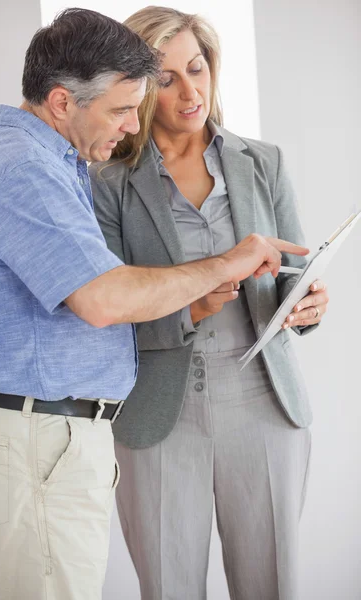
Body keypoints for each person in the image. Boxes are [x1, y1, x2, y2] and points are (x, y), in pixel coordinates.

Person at [0, 8, 309, 600]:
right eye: (124, 108)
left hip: (67, 434)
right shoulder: (32, 168)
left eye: (194, 70)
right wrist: (220, 270)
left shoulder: (58, 161)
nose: (131, 121)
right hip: (55, 434)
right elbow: (104, 298)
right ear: (63, 102)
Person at [89, 6, 329, 600]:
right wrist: (188, 308)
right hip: (160, 417)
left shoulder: (263, 162)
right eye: (165, 79)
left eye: (197, 68)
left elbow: (294, 271)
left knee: (271, 586)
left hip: (265, 408)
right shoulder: (108, 184)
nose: (188, 91)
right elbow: (104, 312)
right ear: (139, 87)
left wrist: (310, 305)